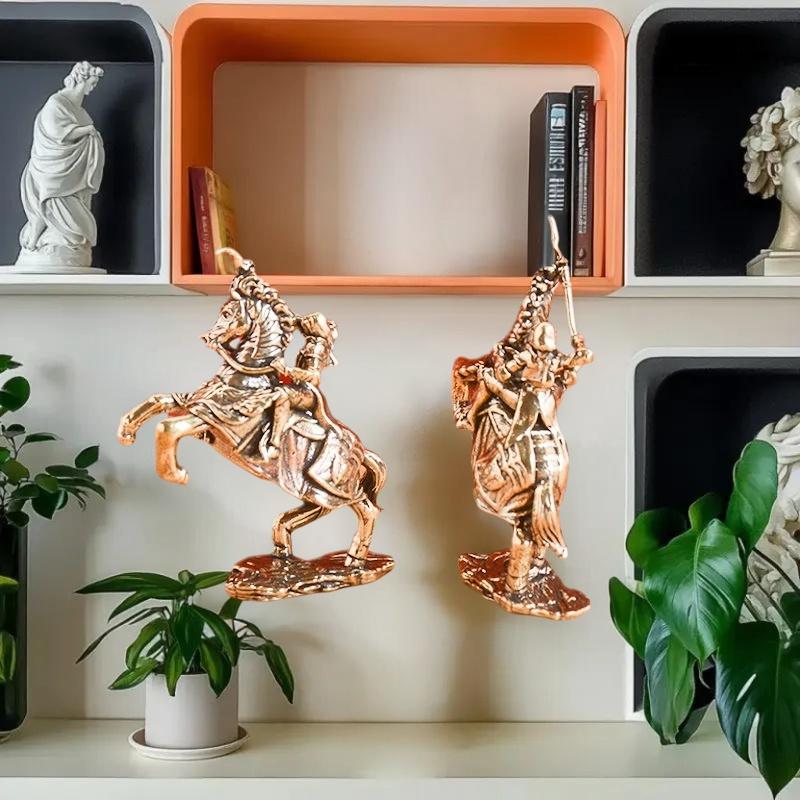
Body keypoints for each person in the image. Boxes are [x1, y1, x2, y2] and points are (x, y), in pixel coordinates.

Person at [16, 61, 105, 269]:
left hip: (71, 169)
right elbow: (58, 133)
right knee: (49, 198)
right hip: (50, 166)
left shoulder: (80, 111)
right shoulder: (56, 103)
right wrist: (88, 131)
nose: (92, 88)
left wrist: (91, 136)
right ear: (80, 80)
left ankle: (60, 239)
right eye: (91, 83)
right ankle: (35, 239)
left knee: (69, 210)